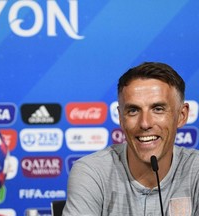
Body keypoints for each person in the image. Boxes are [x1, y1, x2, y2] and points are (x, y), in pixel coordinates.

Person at [62, 62, 199, 215]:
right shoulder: (92, 172)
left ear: (182, 116)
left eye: (158, 109)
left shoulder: (196, 170)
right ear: (121, 118)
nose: (145, 123)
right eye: (133, 111)